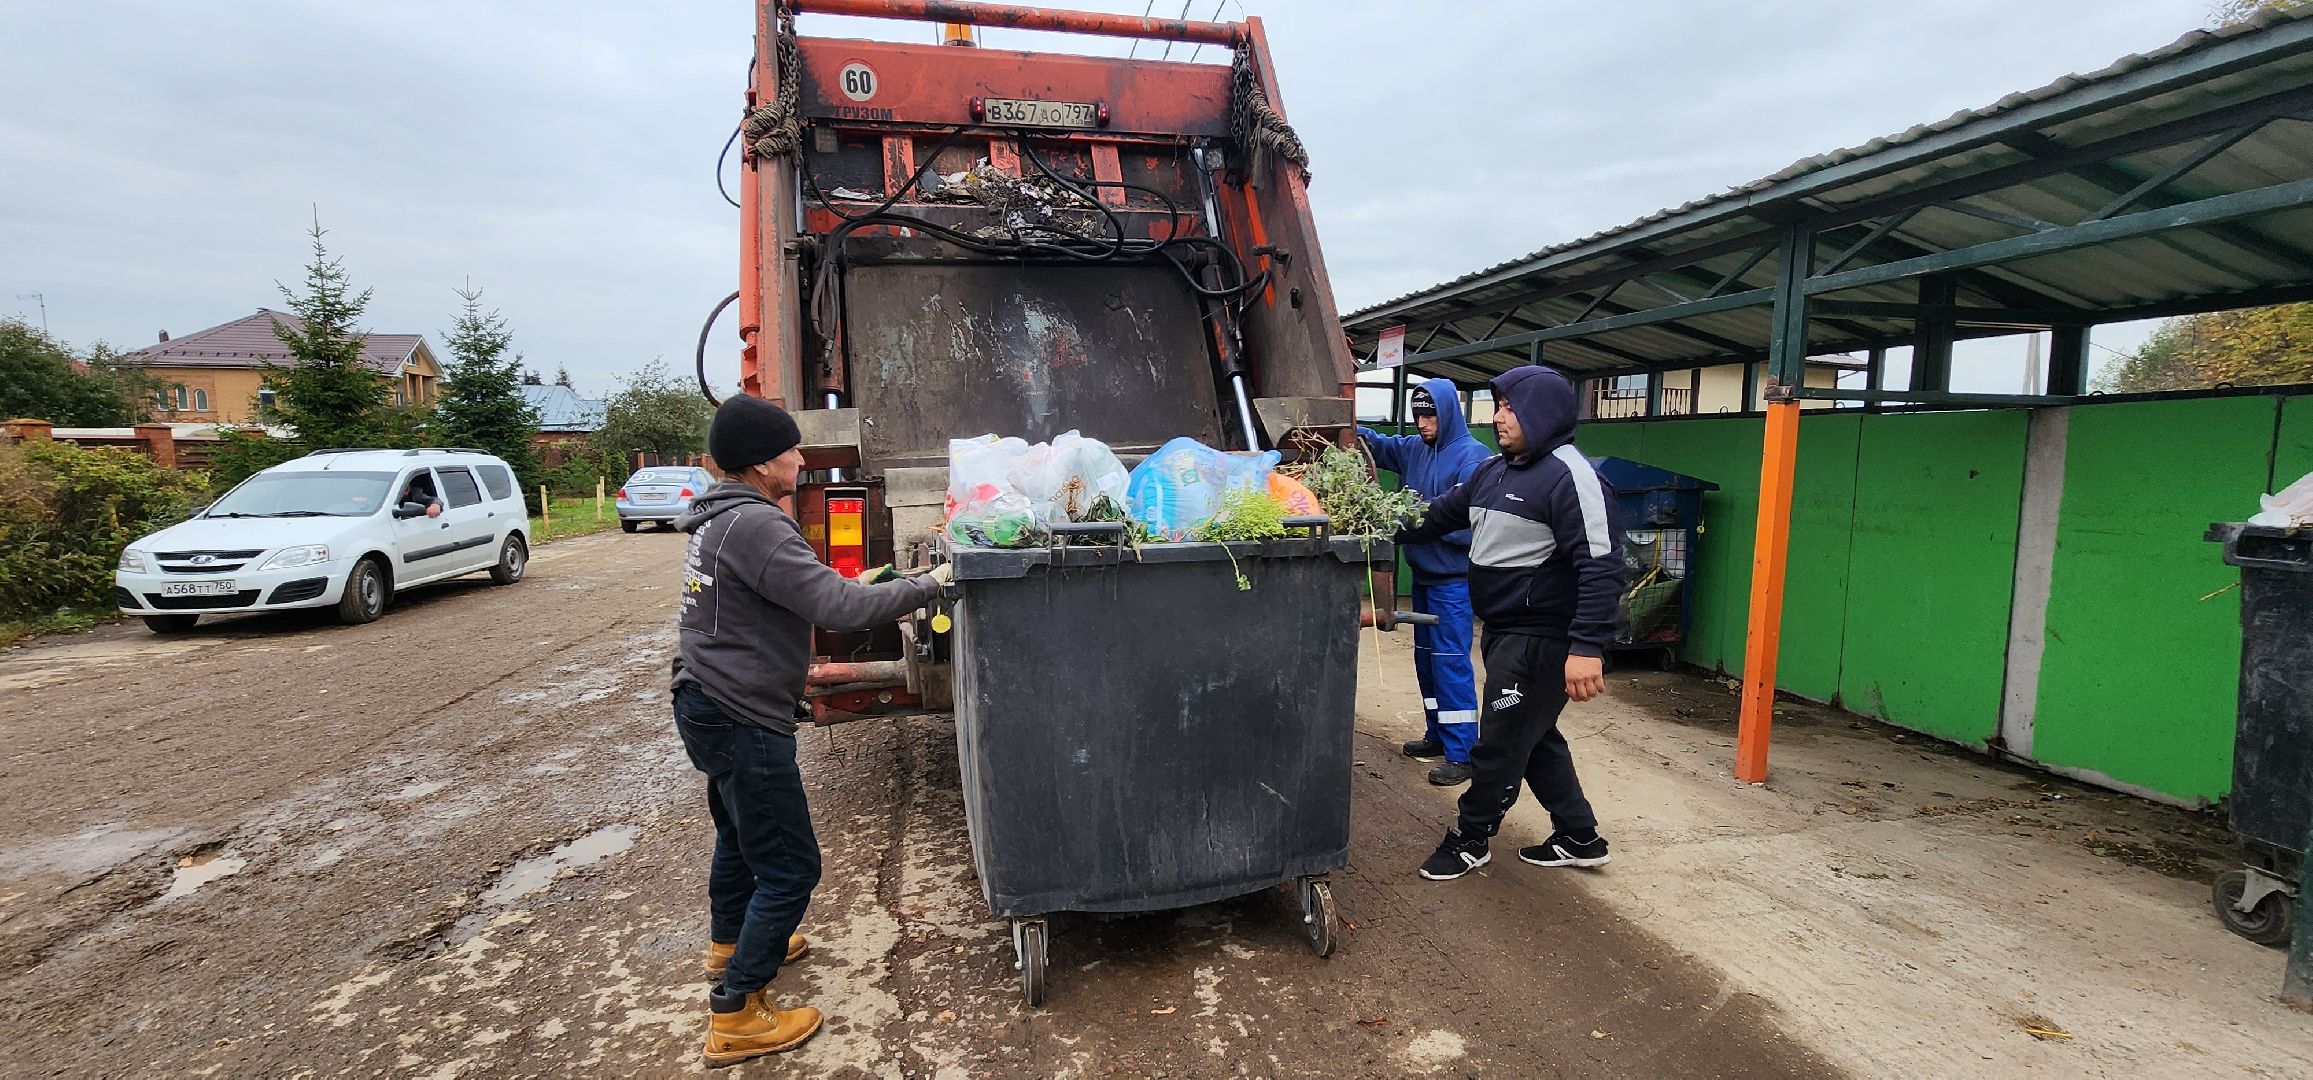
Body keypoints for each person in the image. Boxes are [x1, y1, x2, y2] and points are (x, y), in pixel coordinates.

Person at [670, 394, 950, 1067]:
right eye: (793, 450)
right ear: (764, 461)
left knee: (740, 837)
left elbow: (809, 590)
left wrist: (887, 578)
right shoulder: (759, 525)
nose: (801, 459)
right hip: (740, 711)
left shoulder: (721, 519)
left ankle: (730, 942)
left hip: (703, 699)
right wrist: (931, 582)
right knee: (792, 866)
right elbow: (836, 608)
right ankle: (737, 1011)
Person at [1392, 365, 1624, 881]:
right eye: (1495, 406)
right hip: (1500, 630)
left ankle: (1470, 839)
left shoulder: (1572, 478)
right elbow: (1435, 517)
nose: (1496, 418)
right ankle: (1579, 837)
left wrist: (1587, 647)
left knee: (1498, 743)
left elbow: (1602, 566)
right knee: (1534, 736)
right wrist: (1368, 523)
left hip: (1542, 639)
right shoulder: (1494, 471)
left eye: (1507, 407)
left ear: (1540, 411)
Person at [1357, 379, 1490, 786]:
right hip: (1424, 579)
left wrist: (1413, 522)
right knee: (1425, 661)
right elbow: (1377, 445)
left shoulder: (1473, 458)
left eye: (1430, 414)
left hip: (1452, 582)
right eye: (1417, 414)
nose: (1422, 422)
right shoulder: (1415, 448)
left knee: (1450, 662)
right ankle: (1437, 734)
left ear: (1448, 412)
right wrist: (1345, 426)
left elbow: (1468, 522)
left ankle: (1463, 752)